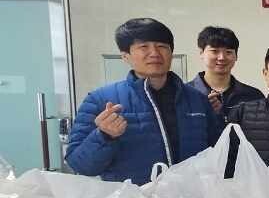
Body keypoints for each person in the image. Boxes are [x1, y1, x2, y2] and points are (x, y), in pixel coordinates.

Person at [67, 18, 220, 185]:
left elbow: (218, 153)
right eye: (143, 47)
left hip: (191, 197)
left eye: (161, 46)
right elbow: (80, 165)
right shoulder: (100, 100)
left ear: (171, 52)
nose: (154, 53)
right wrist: (104, 136)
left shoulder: (197, 99)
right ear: (125, 56)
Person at [188, 26, 263, 115]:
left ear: (236, 56)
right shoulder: (184, 94)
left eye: (228, 52)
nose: (222, 58)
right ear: (201, 53)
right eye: (215, 51)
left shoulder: (253, 96)